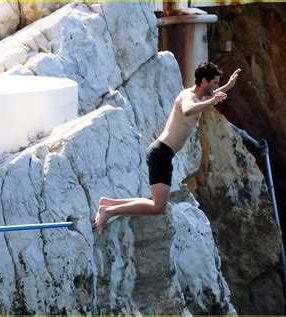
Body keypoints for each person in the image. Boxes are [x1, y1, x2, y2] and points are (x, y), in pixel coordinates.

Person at [94, 62, 241, 234]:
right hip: (160, 154)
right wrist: (211, 102)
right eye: (215, 82)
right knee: (158, 206)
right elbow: (187, 110)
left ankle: (108, 203)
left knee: (158, 204)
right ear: (203, 81)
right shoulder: (189, 98)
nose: (216, 87)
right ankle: (108, 212)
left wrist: (227, 86)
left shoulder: (196, 95)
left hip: (164, 154)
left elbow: (209, 95)